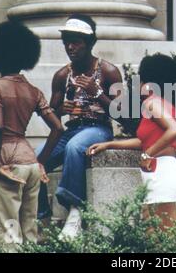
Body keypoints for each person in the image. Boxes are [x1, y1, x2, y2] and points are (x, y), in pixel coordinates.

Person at [35, 14, 123, 240]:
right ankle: (41, 217)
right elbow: (52, 116)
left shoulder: (108, 71)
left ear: (90, 43)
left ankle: (75, 211)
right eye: (67, 41)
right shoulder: (62, 75)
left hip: (98, 128)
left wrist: (98, 93)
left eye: (76, 41)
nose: (70, 47)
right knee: (32, 158)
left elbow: (123, 114)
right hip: (71, 129)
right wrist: (60, 110)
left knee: (75, 147)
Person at [0, 21, 63, 249]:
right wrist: (41, 162)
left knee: (9, 236)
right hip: (30, 163)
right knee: (30, 233)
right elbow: (58, 128)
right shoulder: (33, 91)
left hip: (8, 161)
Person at [88, 54, 176, 230]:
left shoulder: (152, 103)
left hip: (162, 173)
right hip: (159, 173)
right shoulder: (160, 103)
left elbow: (175, 131)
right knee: (155, 236)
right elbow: (143, 141)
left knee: (163, 240)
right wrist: (109, 144)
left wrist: (148, 154)